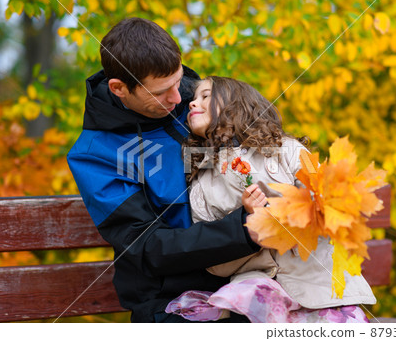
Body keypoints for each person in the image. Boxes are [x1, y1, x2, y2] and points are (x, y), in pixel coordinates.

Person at [67, 18, 261, 323]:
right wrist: (245, 229)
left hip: (254, 276)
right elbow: (147, 248)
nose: (178, 97)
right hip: (172, 301)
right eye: (160, 92)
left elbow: (264, 154)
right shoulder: (95, 155)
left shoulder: (203, 99)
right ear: (120, 89)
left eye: (178, 80)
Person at [165, 76, 376, 323]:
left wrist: (285, 210)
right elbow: (214, 263)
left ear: (238, 104)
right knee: (247, 294)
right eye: (192, 99)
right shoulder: (201, 183)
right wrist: (245, 221)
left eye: (205, 96)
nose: (192, 103)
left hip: (321, 286)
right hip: (258, 293)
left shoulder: (288, 149)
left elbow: (327, 194)